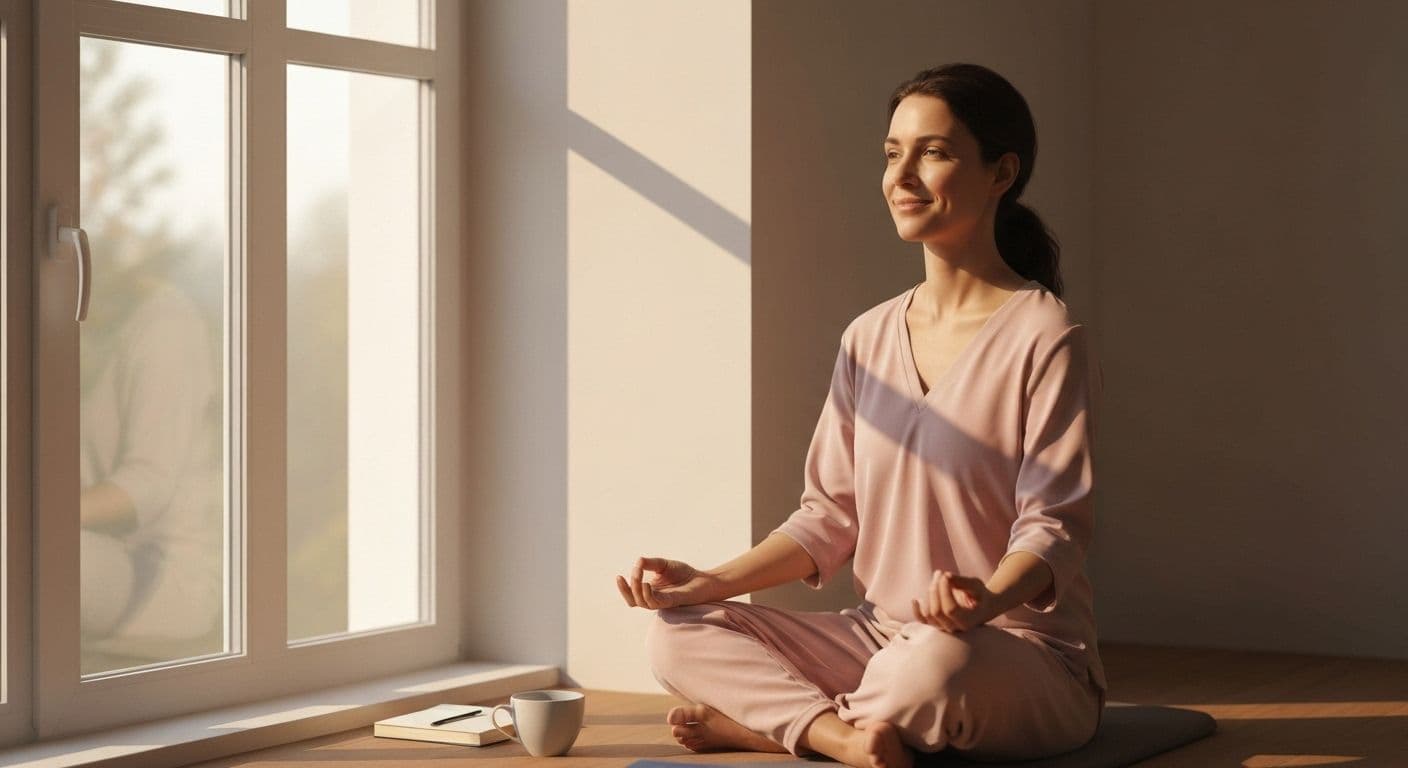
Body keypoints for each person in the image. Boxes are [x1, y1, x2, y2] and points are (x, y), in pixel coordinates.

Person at [616, 63, 1107, 767]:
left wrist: (984, 602)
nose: (901, 176)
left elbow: (1053, 527)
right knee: (674, 633)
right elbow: (828, 517)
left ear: (1000, 174)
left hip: (1016, 655)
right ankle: (841, 736)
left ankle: (776, 728)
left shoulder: (1046, 334)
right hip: (878, 639)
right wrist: (711, 582)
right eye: (891, 153)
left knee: (932, 670)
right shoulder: (868, 336)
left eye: (933, 152)